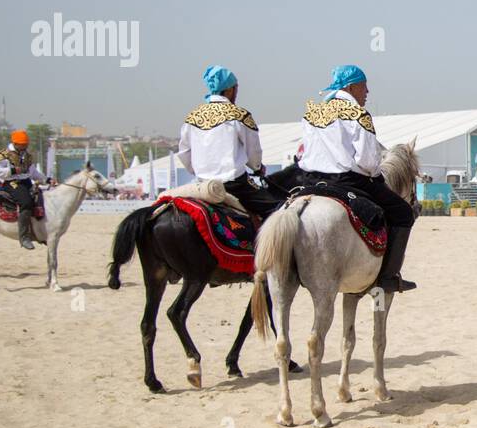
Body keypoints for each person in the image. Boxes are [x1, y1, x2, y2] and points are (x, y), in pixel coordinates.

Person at [285, 65, 416, 293]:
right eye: (364, 86)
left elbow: (302, 151)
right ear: (351, 86)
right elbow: (367, 160)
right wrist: (376, 175)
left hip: (310, 179)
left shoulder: (313, 113)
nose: (367, 92)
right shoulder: (358, 114)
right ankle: (388, 277)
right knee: (403, 213)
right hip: (347, 180)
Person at [177, 65, 284, 219]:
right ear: (228, 90)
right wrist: (257, 167)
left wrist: (201, 170)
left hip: (201, 185)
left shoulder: (192, 117)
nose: (236, 93)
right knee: (278, 211)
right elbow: (253, 151)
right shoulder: (239, 115)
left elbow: (184, 153)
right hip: (234, 185)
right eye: (236, 88)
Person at [0, 129, 48, 249]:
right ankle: (24, 237)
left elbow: (33, 173)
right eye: (23, 144)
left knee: (40, 198)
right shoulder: (3, 154)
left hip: (26, 182)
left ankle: (39, 233)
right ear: (16, 143)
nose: (26, 146)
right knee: (26, 202)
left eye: (26, 144)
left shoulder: (27, 155)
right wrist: (11, 170)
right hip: (12, 183)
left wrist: (46, 179)